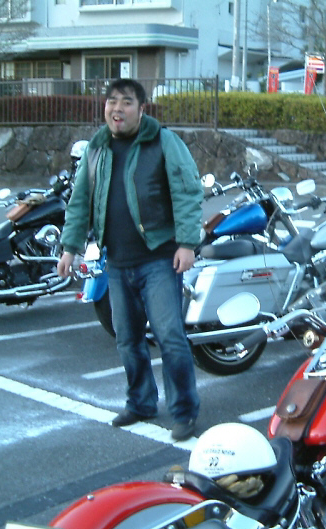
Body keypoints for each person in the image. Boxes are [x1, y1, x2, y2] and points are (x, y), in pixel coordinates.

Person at [57, 78, 203, 442]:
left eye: (126, 102)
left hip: (159, 260)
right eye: (111, 102)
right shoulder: (97, 147)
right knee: (127, 339)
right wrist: (69, 247)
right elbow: (80, 200)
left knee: (170, 337)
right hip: (117, 263)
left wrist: (187, 243)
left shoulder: (163, 141)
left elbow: (187, 192)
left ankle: (184, 411)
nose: (117, 109)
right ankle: (140, 402)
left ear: (141, 109)